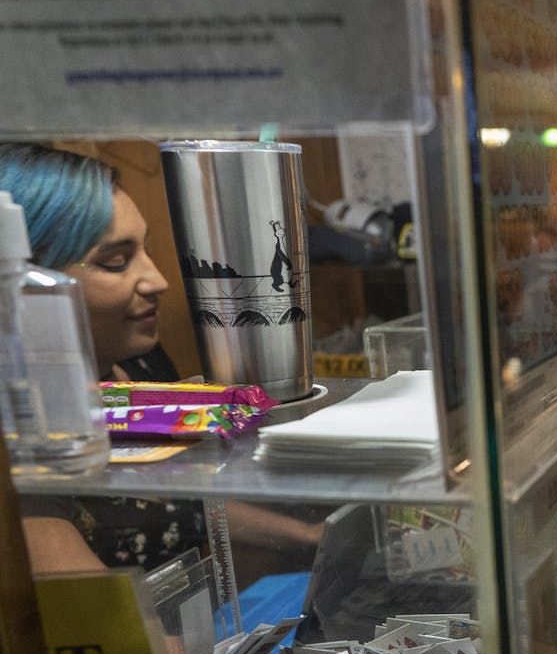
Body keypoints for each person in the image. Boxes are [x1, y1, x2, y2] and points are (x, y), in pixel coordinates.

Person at [0, 143, 321, 574]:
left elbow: (184, 507)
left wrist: (313, 539)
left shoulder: (139, 364)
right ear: (20, 277)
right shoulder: (25, 440)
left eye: (146, 251)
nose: (159, 281)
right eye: (115, 262)